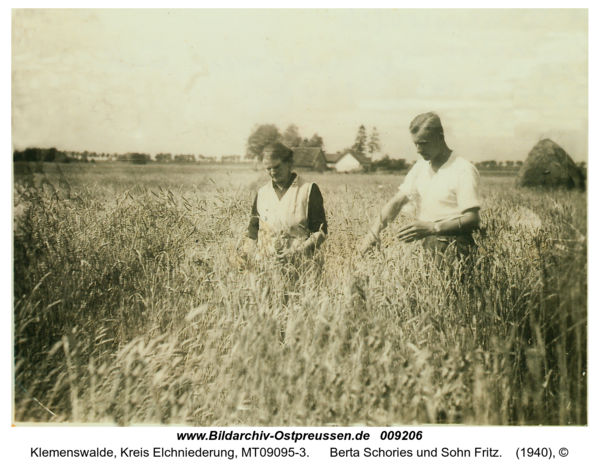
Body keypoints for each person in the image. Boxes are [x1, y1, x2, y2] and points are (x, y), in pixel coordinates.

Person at [359, 112, 481, 264]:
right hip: (427, 244)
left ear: (440, 137)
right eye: (415, 143)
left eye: (423, 143)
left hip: (456, 247)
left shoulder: (462, 169)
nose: (418, 149)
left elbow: (472, 219)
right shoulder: (420, 167)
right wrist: (373, 233)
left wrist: (432, 228)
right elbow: (397, 202)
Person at [242, 142, 327, 261]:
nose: (272, 172)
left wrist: (296, 252)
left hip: (301, 265)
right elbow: (252, 231)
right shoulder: (262, 193)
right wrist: (243, 256)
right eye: (268, 168)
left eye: (276, 167)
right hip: (267, 266)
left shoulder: (308, 190)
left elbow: (321, 232)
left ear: (289, 164)